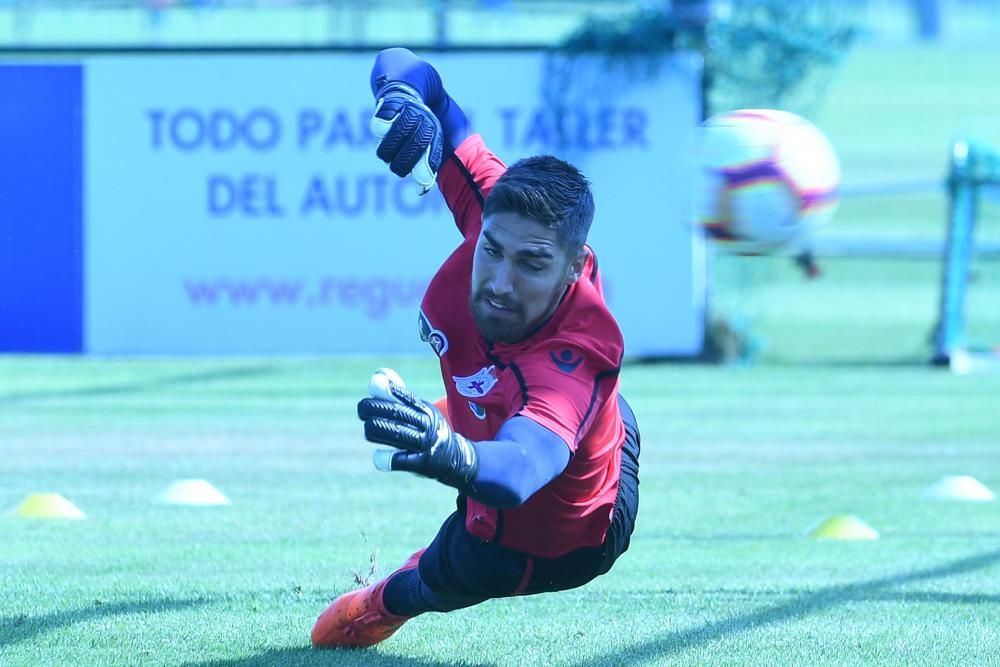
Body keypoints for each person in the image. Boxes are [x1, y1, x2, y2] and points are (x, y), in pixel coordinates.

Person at [311, 47, 641, 649]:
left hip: (553, 543)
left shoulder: (575, 359)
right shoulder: (501, 214)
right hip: (580, 430)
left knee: (394, 600)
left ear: (574, 270)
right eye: (492, 250)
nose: (500, 279)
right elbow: (406, 65)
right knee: (499, 408)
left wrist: (447, 452)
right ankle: (455, 417)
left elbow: (519, 472)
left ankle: (380, 605)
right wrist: (403, 98)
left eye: (531, 265)